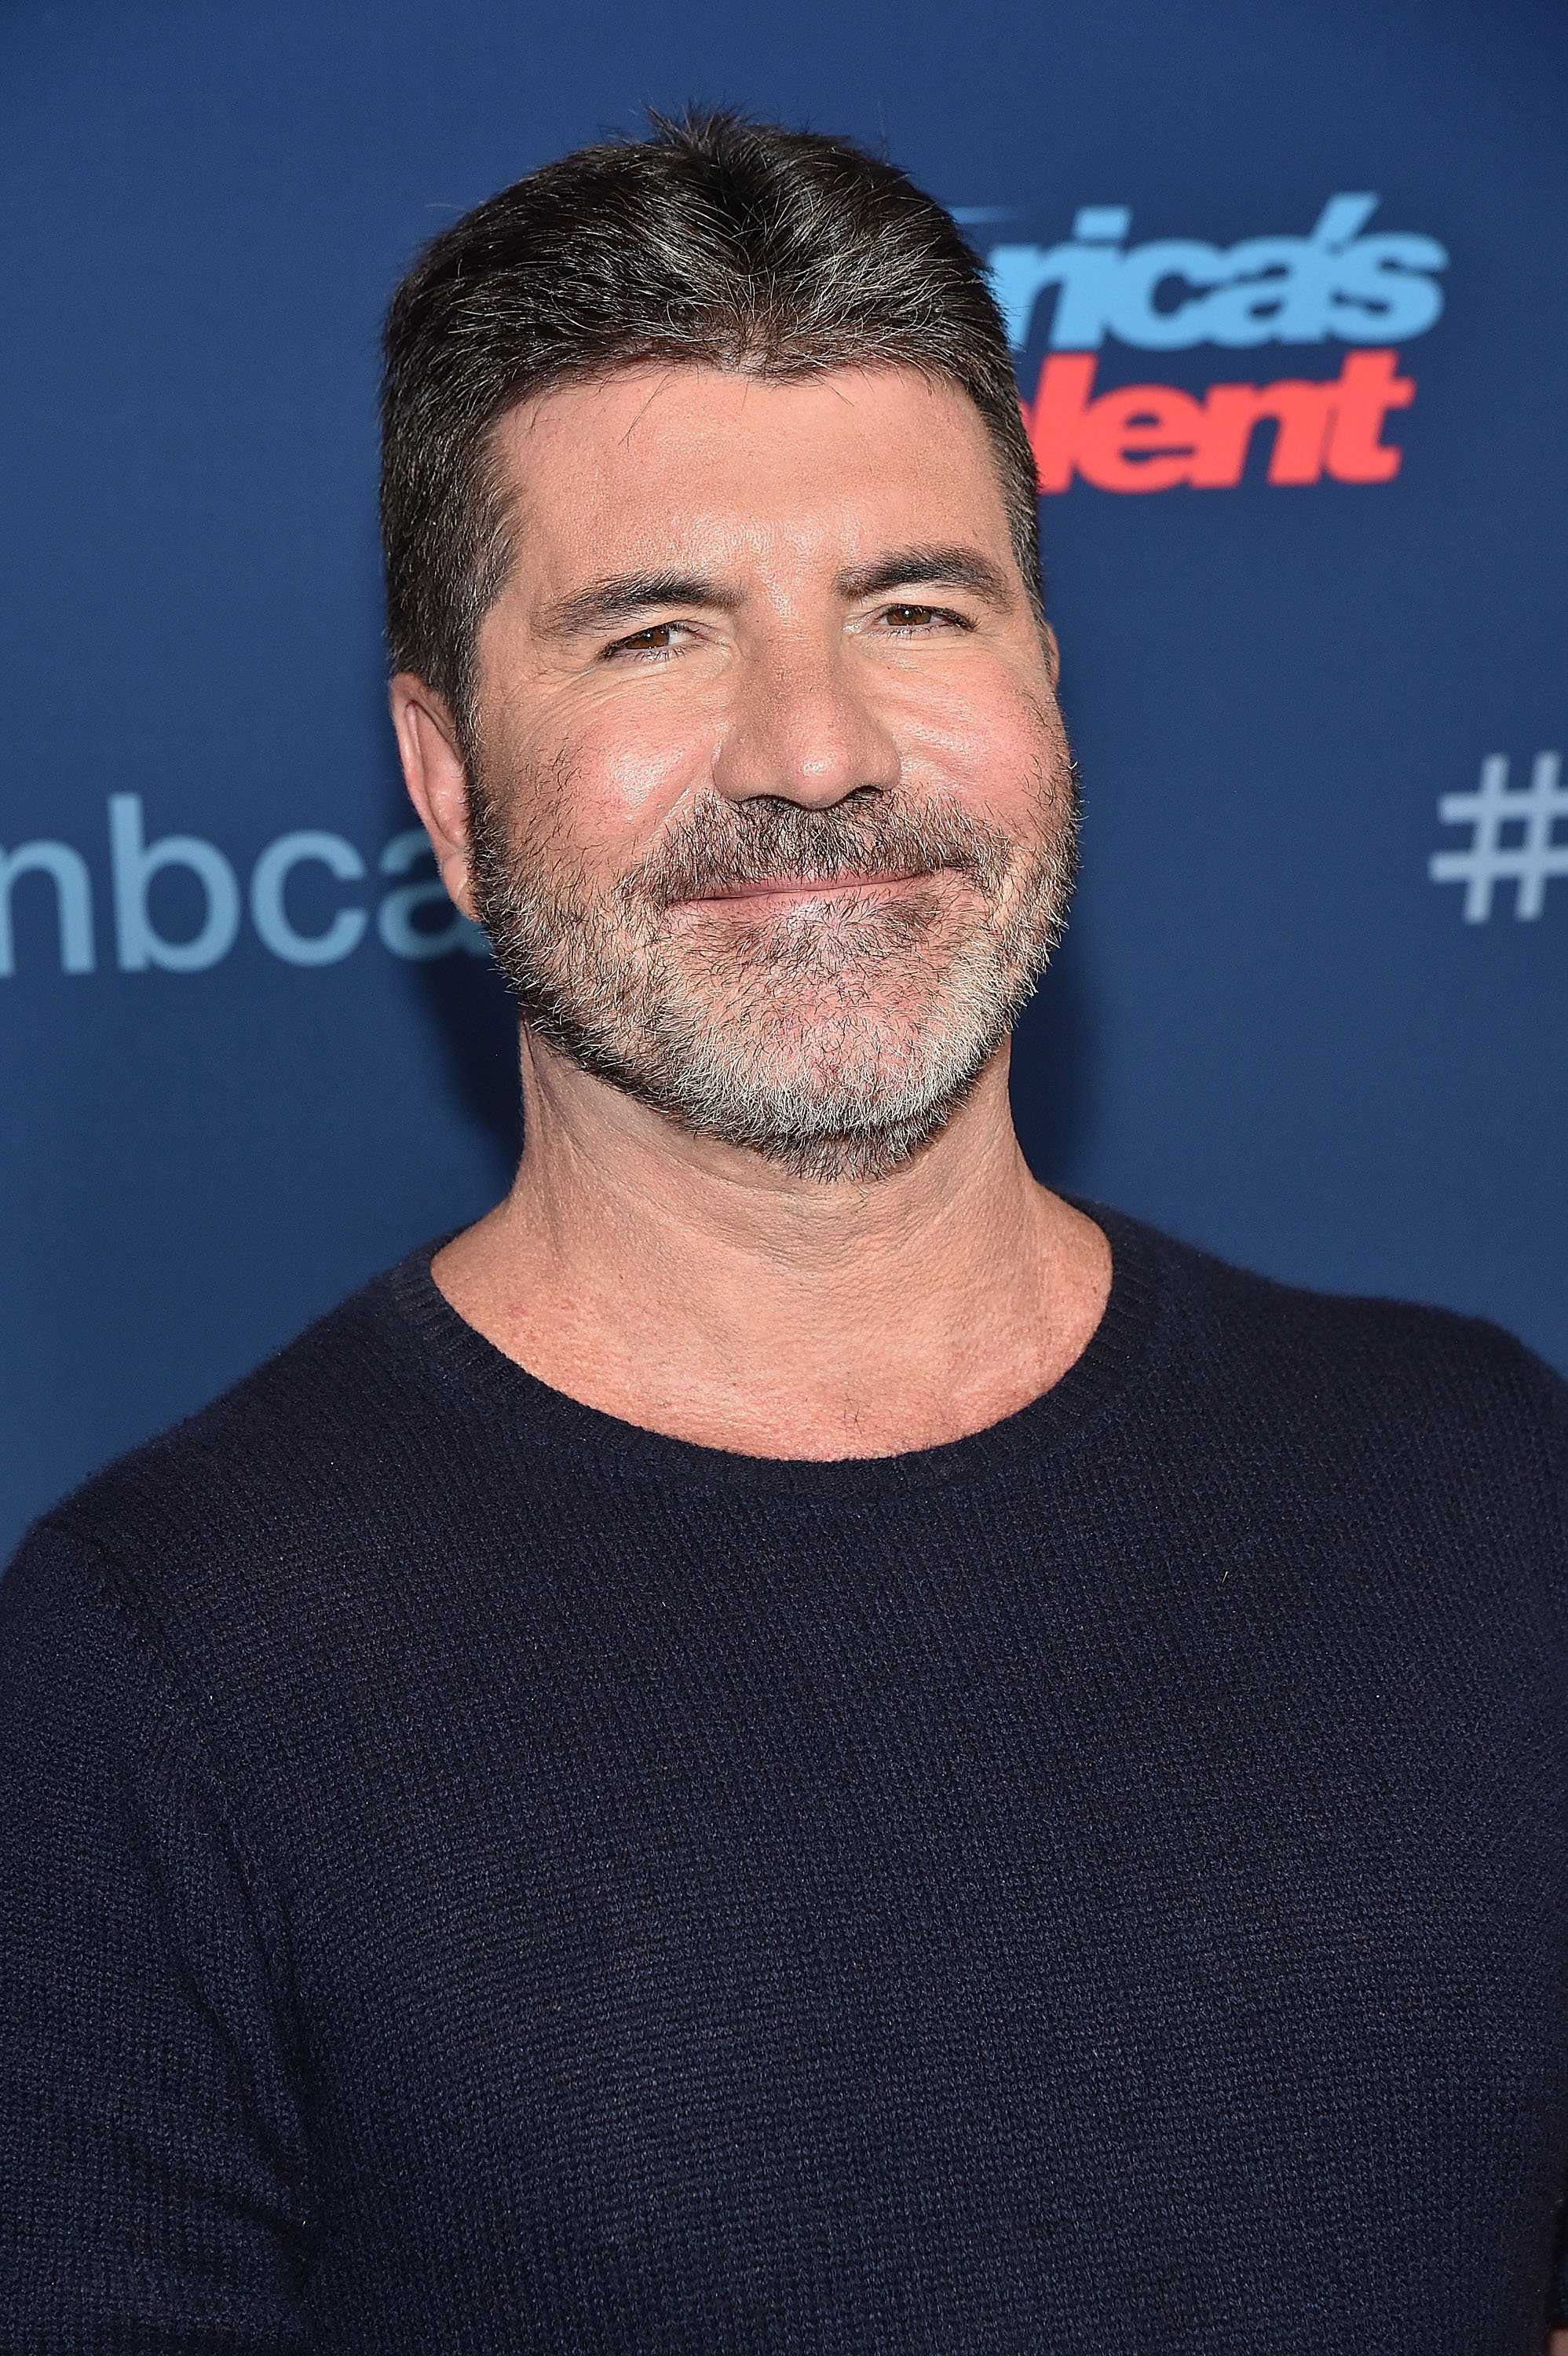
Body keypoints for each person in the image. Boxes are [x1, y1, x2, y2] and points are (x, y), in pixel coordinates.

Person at [2, 108, 1566, 2354]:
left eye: (915, 607)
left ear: (1046, 681)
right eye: (656, 632)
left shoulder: (1488, 1482)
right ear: (447, 789)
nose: (816, 749)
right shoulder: (146, 1683)